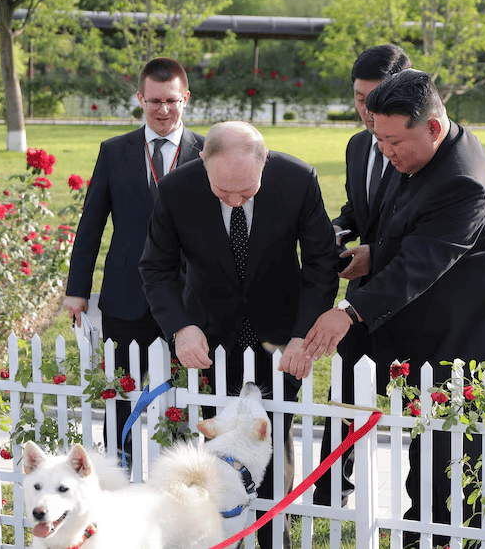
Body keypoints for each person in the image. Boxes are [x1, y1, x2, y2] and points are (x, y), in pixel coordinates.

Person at [302, 69, 485, 548]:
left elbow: (421, 265)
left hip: (471, 339)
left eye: (392, 141)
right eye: (377, 138)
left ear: (432, 126)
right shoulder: (416, 155)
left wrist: (347, 311)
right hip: (428, 333)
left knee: (455, 478)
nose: (384, 151)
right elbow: (404, 232)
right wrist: (372, 254)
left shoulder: (463, 181)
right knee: (426, 462)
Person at [139, 121, 339, 549]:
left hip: (281, 340)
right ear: (203, 164)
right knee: (216, 448)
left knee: (274, 441)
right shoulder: (175, 189)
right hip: (210, 341)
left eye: (246, 191)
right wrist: (181, 327)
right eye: (222, 191)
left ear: (264, 163)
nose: (234, 200)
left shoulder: (298, 180)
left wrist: (303, 335)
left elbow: (321, 262)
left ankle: (271, 537)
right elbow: (155, 268)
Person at [63, 57, 205, 465]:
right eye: (154, 100)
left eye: (172, 101)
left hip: (186, 299)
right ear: (140, 99)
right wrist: (76, 290)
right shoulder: (115, 152)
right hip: (126, 298)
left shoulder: (207, 150)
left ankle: (178, 472)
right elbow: (91, 224)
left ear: (186, 99)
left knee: (182, 394)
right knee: (119, 395)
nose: (163, 110)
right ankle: (118, 469)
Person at [314, 44, 412, 508]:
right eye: (359, 99)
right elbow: (359, 211)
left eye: (377, 99)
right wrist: (335, 232)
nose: (368, 112)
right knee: (344, 398)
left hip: (413, 295)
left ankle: (422, 506)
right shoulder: (356, 145)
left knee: (419, 409)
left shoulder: (418, 149)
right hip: (359, 295)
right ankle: (332, 492)